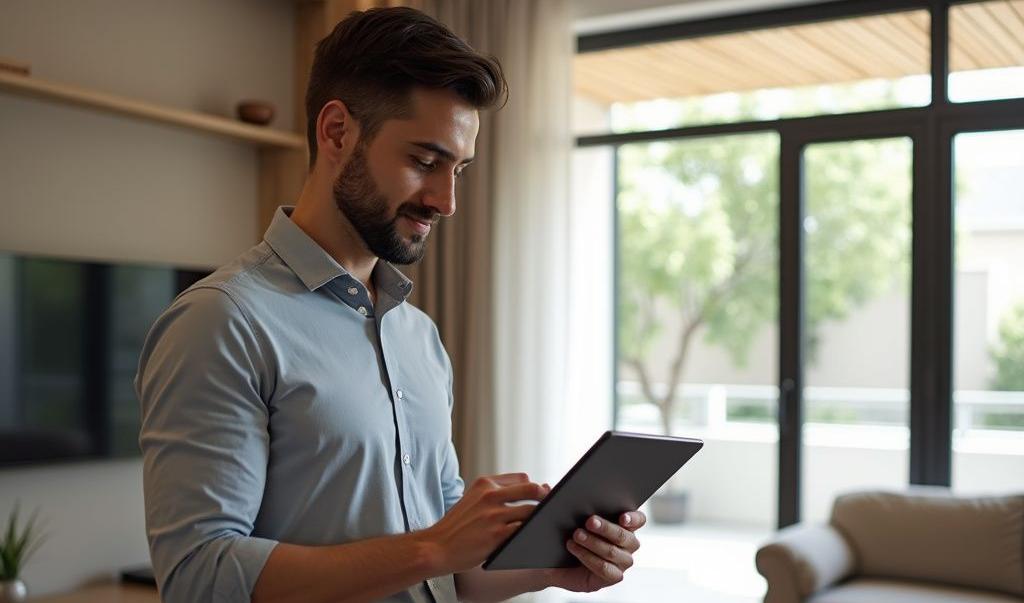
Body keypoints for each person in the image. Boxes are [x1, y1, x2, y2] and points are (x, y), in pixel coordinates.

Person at [136, 7, 645, 603]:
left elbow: (445, 573)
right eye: (425, 163)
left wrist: (552, 568)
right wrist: (433, 546)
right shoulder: (221, 323)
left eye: (458, 170)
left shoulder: (418, 336)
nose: (446, 201)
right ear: (336, 133)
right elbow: (200, 577)